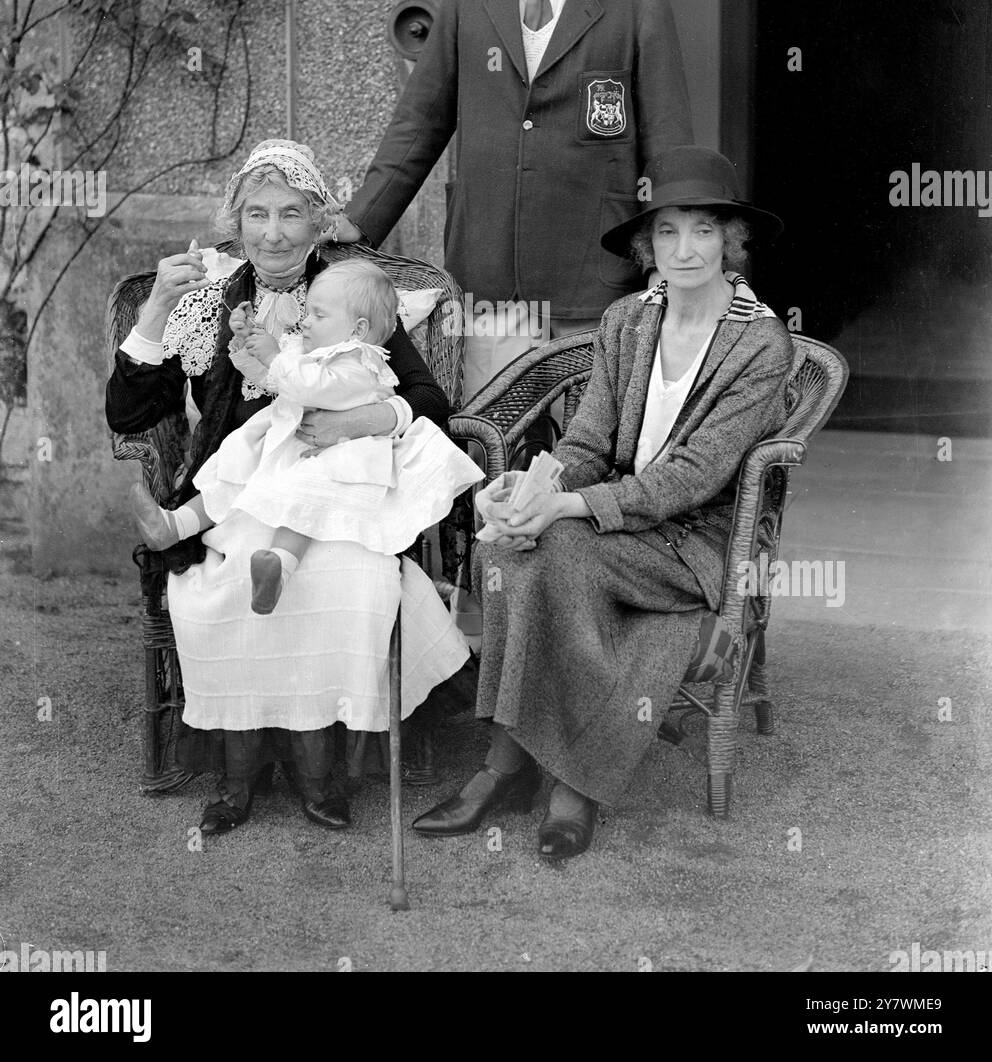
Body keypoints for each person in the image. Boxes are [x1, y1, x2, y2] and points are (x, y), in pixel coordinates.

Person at [411, 146, 795, 860]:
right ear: (648, 243)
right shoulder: (629, 321)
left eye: (704, 230)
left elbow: (692, 477)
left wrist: (568, 512)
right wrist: (534, 489)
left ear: (730, 241)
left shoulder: (759, 345)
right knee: (505, 544)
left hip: (697, 541)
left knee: (558, 552)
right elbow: (587, 440)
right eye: (669, 232)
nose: (685, 250)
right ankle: (524, 764)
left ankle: (547, 775)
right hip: (612, 523)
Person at [106, 139, 472, 836]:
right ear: (236, 222)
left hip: (331, 499)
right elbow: (129, 415)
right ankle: (239, 777)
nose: (273, 232)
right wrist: (156, 307)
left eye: (291, 214)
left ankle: (321, 774)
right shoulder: (211, 302)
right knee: (225, 584)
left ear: (317, 222)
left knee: (355, 585)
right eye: (256, 214)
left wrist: (367, 415)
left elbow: (428, 398)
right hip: (243, 489)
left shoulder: (345, 298)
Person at [331, 0, 693, 403]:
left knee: (584, 455)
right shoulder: (468, 0)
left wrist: (671, 261)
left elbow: (671, 149)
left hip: (594, 278)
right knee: (490, 446)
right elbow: (419, 125)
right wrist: (360, 220)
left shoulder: (637, 5)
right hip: (485, 277)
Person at [128, 260, 482, 614]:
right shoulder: (314, 352)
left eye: (318, 315)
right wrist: (248, 346)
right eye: (308, 311)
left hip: (337, 454)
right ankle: (174, 525)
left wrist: (276, 355)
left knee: (306, 491)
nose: (307, 321)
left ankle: (278, 567)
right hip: (291, 439)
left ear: (358, 329)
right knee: (233, 464)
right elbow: (275, 381)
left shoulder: (362, 362)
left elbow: (313, 388)